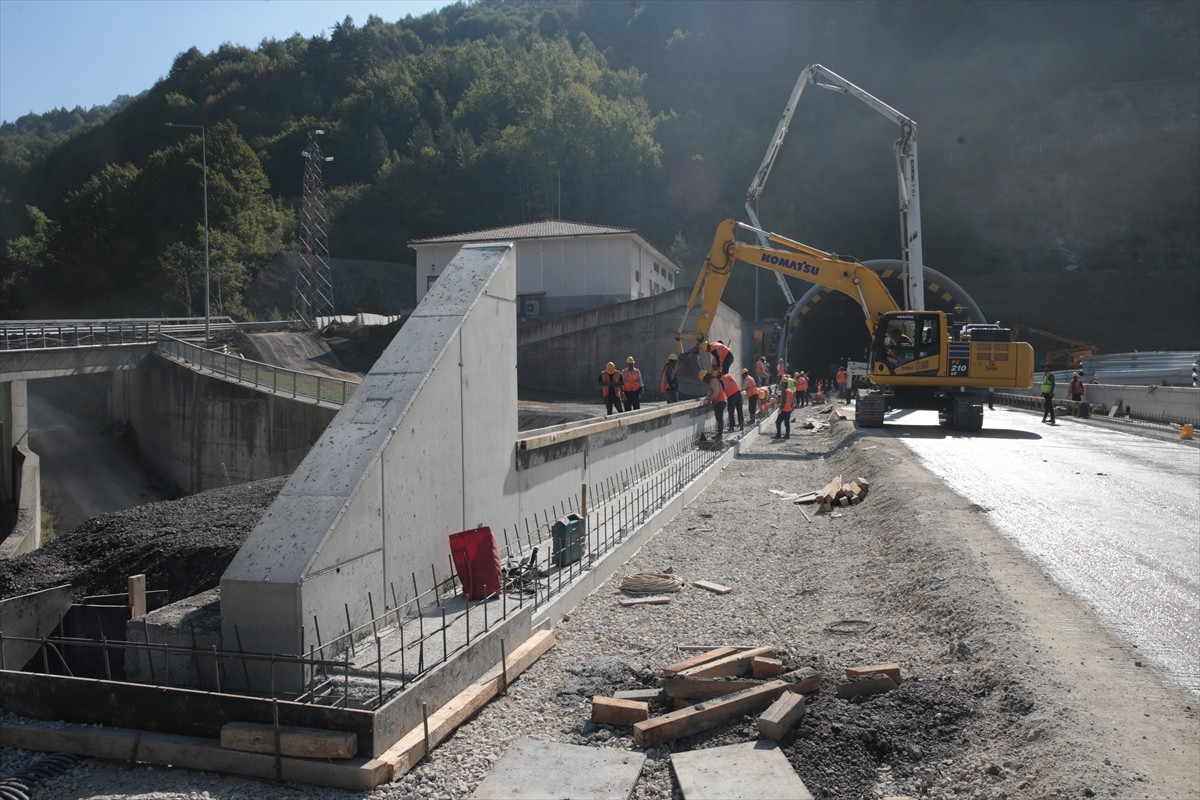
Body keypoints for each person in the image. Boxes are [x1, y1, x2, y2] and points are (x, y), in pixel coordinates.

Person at [701, 370, 728, 438]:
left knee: (719, 419)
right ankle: (719, 434)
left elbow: (715, 393)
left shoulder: (713, 381)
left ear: (706, 377)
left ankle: (719, 435)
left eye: (704, 380)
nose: (705, 382)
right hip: (719, 401)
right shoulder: (712, 382)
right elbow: (711, 392)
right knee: (718, 418)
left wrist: (709, 399)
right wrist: (706, 397)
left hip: (720, 401)